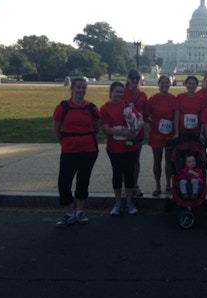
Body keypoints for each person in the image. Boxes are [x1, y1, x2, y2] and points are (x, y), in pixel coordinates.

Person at [52, 78, 100, 227]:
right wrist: (64, 142)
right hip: (69, 149)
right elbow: (56, 128)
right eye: (78, 87)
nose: (81, 91)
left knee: (83, 181)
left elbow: (96, 127)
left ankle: (79, 210)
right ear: (72, 88)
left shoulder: (91, 108)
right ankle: (68, 212)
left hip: (88, 150)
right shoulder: (63, 107)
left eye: (84, 88)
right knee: (64, 182)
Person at [100, 81, 144, 216]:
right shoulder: (105, 108)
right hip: (115, 148)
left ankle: (129, 202)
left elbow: (140, 119)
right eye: (116, 91)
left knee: (130, 174)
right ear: (111, 92)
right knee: (117, 174)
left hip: (130, 147)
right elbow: (105, 129)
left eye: (121, 92)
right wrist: (123, 133)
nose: (119, 94)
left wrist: (137, 127)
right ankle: (118, 202)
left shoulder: (127, 106)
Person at [143, 75, 179, 196]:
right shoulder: (153, 99)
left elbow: (176, 116)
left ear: (170, 84)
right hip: (157, 134)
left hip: (170, 134)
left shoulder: (174, 99)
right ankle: (157, 185)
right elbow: (145, 115)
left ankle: (168, 185)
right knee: (157, 161)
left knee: (169, 161)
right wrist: (152, 124)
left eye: (166, 83)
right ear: (158, 85)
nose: (164, 85)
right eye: (162, 83)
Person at [123, 69, 148, 197]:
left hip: (139, 132)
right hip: (125, 132)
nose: (134, 81)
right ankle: (126, 185)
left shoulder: (142, 95)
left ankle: (134, 184)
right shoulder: (123, 92)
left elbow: (146, 114)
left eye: (137, 79)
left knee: (136, 159)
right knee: (125, 159)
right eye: (132, 79)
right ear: (128, 79)